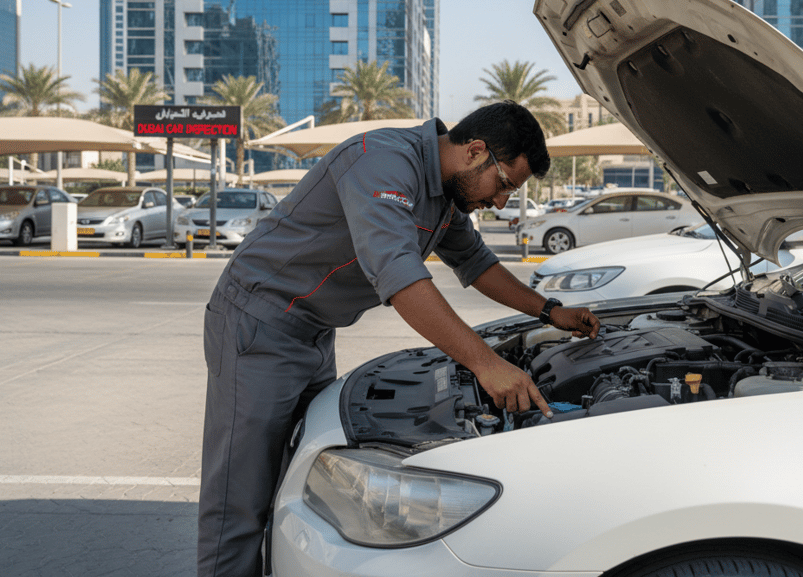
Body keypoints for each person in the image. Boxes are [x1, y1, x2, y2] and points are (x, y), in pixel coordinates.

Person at [197, 100, 601, 577]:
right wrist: (487, 365)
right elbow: (401, 278)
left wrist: (551, 311)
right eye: (505, 184)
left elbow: (477, 263)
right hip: (260, 323)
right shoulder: (383, 163)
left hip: (312, 330)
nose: (501, 202)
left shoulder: (447, 193)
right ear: (475, 151)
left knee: (297, 481)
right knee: (239, 500)